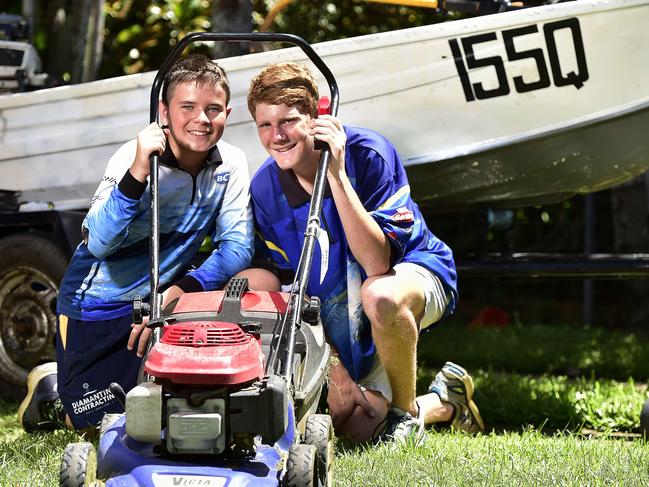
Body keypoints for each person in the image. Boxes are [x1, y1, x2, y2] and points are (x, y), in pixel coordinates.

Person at [242, 62, 483, 443]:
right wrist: (336, 371)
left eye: (288, 121)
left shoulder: (368, 153)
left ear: (317, 116)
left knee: (380, 294)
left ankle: (404, 413)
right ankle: (444, 401)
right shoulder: (265, 189)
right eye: (265, 125)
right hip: (344, 306)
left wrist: (335, 174)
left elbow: (377, 262)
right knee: (351, 424)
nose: (277, 136)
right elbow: (296, 291)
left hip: (410, 278)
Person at [18, 54, 253, 433]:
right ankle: (51, 393)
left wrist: (178, 293)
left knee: (166, 415)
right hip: (96, 307)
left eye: (213, 109)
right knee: (98, 425)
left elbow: (237, 247)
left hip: (164, 303)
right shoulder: (133, 156)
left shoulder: (232, 163)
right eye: (188, 107)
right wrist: (139, 171)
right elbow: (97, 242)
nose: (202, 119)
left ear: (228, 112)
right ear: (164, 111)